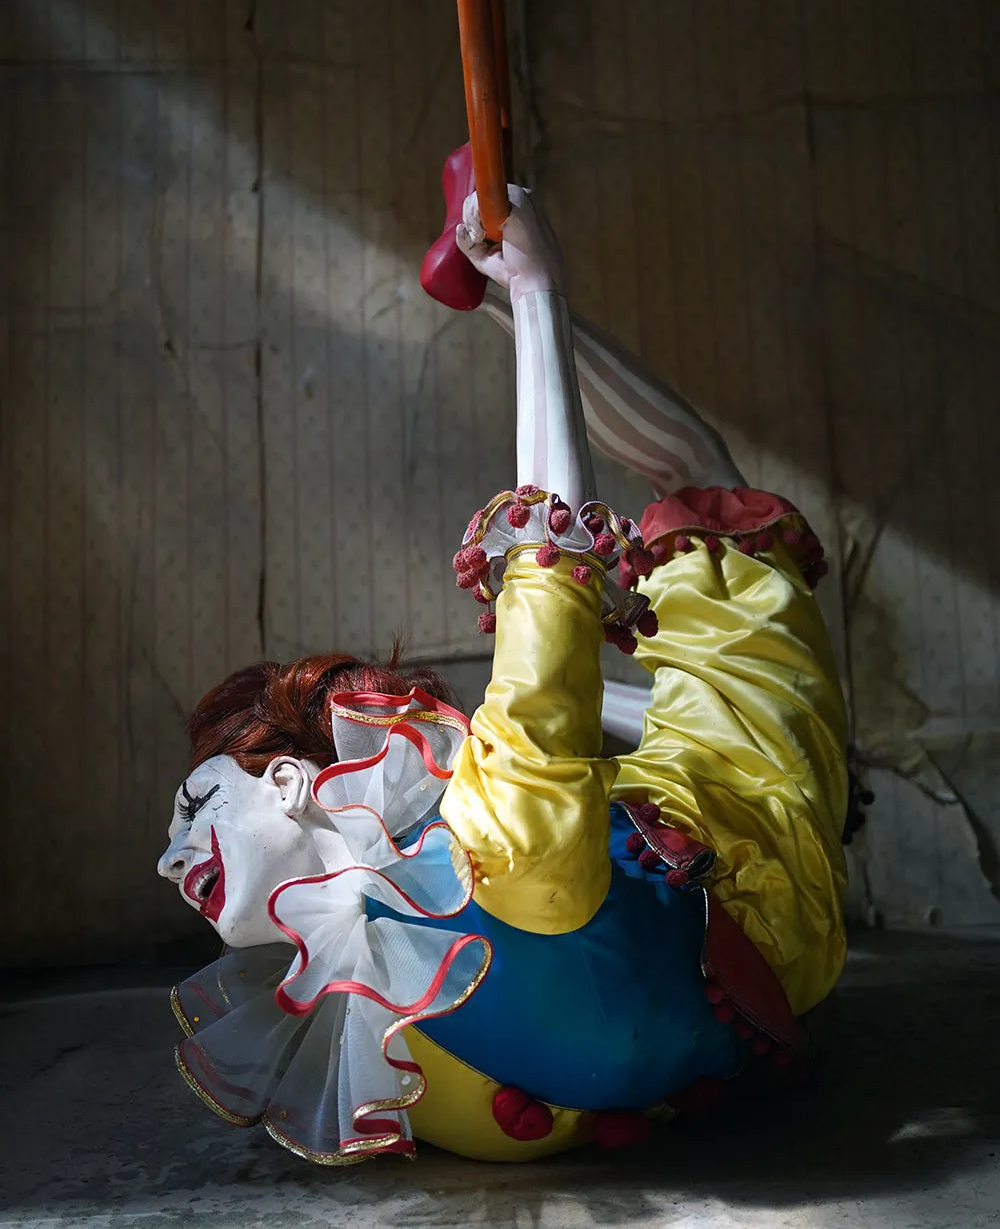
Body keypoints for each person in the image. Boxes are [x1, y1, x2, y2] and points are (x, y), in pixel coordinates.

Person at [157, 186, 849, 1165]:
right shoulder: (499, 824)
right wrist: (536, 293)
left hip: (691, 919)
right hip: (760, 837)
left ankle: (490, 292)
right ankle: (493, 290)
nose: (175, 856)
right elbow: (550, 536)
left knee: (609, 657)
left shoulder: (388, 1030)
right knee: (696, 485)